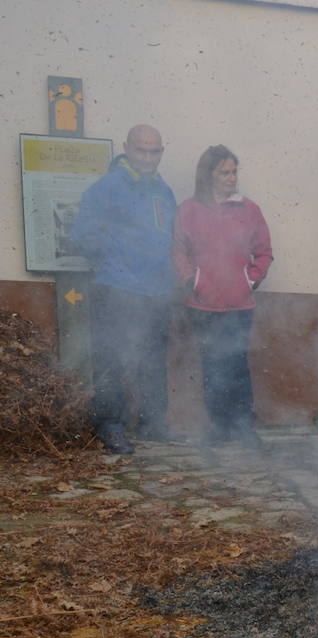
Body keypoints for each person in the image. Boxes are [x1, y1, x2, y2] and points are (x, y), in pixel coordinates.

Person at [70, 124, 178, 454]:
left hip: (156, 290)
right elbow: (82, 236)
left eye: (155, 151)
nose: (148, 157)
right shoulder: (106, 188)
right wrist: (118, 256)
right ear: (127, 148)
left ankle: (153, 424)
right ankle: (109, 425)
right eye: (141, 150)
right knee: (110, 358)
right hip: (116, 287)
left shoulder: (163, 190)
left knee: (152, 359)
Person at [172, 146, 274, 447]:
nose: (232, 178)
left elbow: (264, 252)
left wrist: (250, 279)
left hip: (240, 305)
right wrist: (193, 279)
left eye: (234, 172)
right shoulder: (189, 210)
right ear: (208, 175)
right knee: (212, 366)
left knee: (237, 365)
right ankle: (218, 427)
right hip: (202, 305)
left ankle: (243, 428)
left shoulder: (249, 209)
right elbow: (179, 250)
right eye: (225, 172)